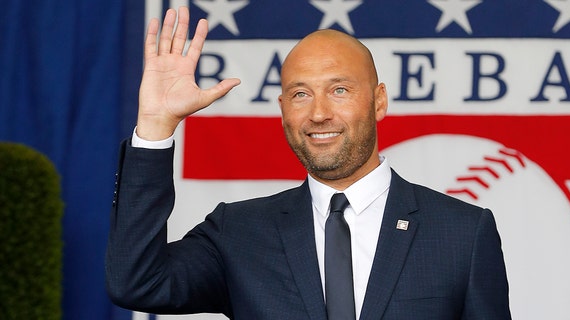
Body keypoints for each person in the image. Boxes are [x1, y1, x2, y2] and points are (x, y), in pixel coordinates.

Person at [106, 6, 511, 320]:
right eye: (300, 94)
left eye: (339, 89)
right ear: (283, 110)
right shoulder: (238, 232)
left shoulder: (463, 232)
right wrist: (156, 127)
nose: (318, 114)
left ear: (379, 101)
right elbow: (137, 282)